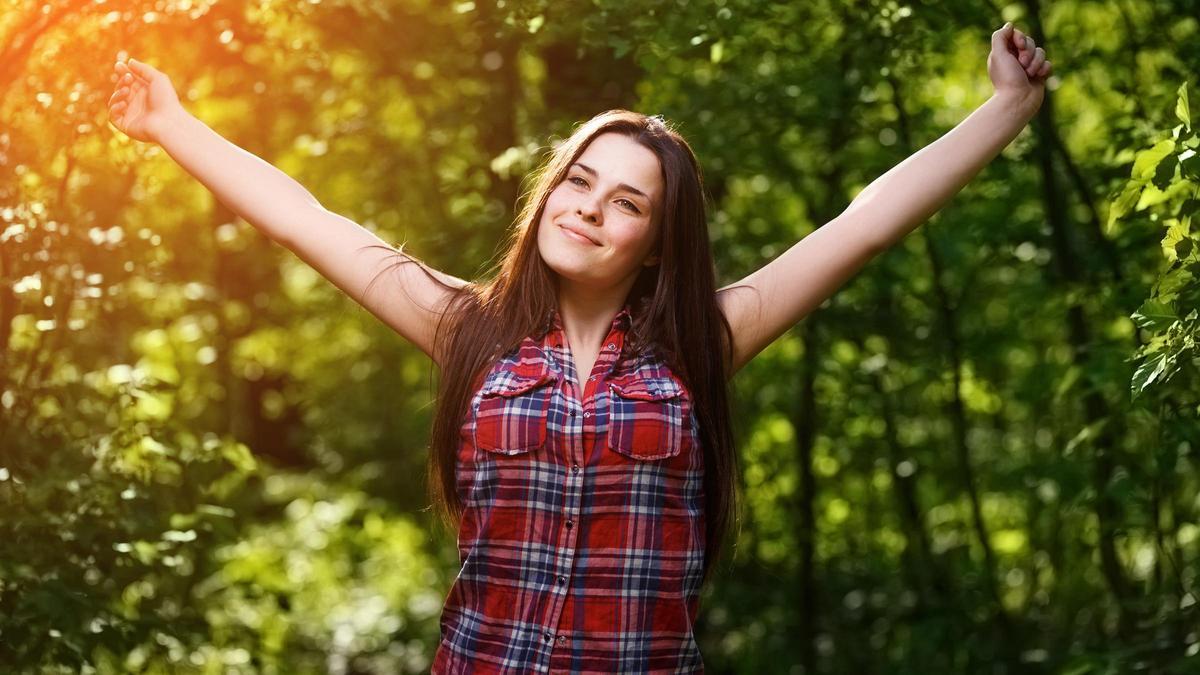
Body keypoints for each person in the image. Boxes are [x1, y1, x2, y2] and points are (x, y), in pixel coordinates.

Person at [107, 21, 1052, 674]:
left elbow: (864, 225)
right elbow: (306, 220)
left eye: (627, 202)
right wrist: (171, 124)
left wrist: (1005, 109)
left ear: (656, 238)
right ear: (550, 191)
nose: (590, 209)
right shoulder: (465, 328)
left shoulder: (701, 347)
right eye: (579, 181)